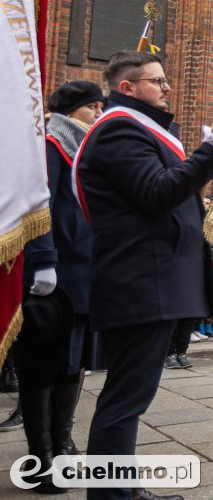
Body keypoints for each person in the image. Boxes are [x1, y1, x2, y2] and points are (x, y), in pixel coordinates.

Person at [75, 51, 213, 500]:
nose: (167, 88)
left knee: (129, 397)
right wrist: (209, 155)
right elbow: (156, 193)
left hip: (150, 282)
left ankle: (123, 490)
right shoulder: (120, 129)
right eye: (158, 81)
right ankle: (112, 495)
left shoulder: (137, 129)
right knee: (125, 400)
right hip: (141, 283)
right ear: (128, 87)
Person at [17, 82, 104, 493]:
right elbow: (40, 207)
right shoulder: (52, 146)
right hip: (57, 273)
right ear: (70, 111)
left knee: (74, 361)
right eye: (92, 107)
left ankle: (64, 443)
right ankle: (41, 455)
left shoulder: (86, 148)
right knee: (44, 364)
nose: (98, 113)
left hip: (85, 273)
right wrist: (44, 260)